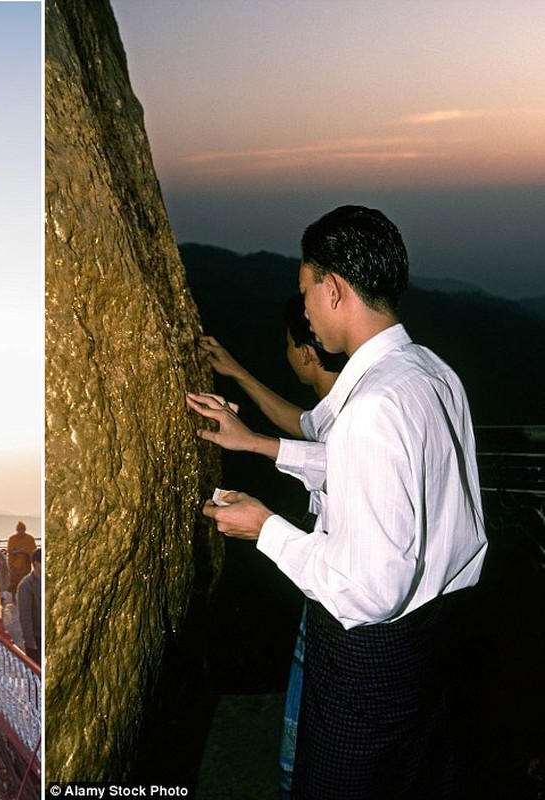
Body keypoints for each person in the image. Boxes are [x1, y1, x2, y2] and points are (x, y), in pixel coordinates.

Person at [198, 205, 488, 799]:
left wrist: (266, 527)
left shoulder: (372, 408)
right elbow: (377, 477)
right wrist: (257, 444)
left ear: (334, 288)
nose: (302, 307)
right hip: (434, 640)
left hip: (367, 660)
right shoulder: (430, 372)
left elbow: (371, 589)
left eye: (305, 290)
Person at [190, 293, 344, 798]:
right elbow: (301, 426)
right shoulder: (348, 401)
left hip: (341, 603)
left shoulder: (363, 410)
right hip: (333, 595)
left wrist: (265, 526)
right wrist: (235, 372)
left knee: (326, 734)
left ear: (306, 350)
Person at [17, 548, 42, 664]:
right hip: (36, 639)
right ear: (36, 563)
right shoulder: (26, 586)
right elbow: (25, 616)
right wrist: (30, 642)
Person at [7, 521, 37, 596]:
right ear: (17, 530)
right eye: (19, 530)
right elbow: (10, 551)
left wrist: (26, 552)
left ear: (25, 530)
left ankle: (25, 596)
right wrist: (20, 551)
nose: (21, 532)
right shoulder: (12, 539)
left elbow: (33, 552)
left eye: (22, 530)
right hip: (14, 565)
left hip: (25, 565)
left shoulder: (30, 539)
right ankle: (14, 598)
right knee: (14, 582)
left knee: (25, 582)